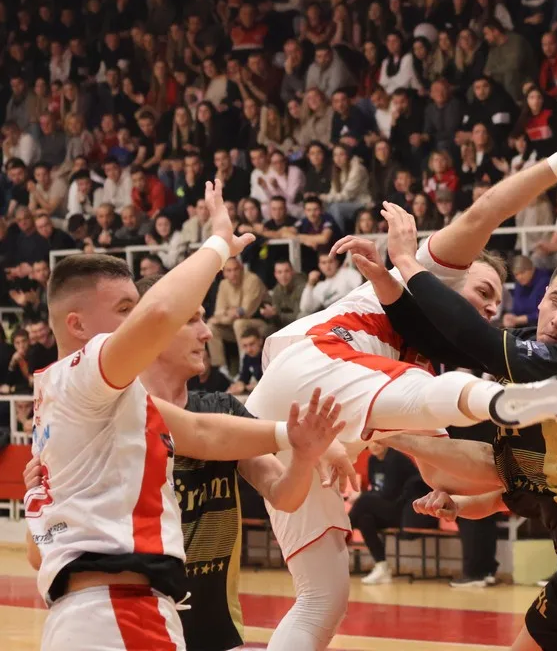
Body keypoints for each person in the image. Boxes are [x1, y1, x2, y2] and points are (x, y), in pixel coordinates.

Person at [244, 129, 557, 651]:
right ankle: (503, 404)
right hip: (312, 362)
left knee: (321, 600)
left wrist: (479, 492)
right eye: (483, 291)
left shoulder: (429, 365)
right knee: (441, 392)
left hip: (292, 428)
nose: (490, 308)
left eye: (497, 303)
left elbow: (441, 470)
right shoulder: (429, 276)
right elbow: (485, 212)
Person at [24, 181, 343, 651]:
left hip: (99, 612)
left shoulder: (71, 402)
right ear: (78, 325)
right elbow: (158, 317)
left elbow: (200, 431)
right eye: (125, 310)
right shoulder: (83, 376)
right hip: (119, 609)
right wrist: (217, 244)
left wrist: (292, 439)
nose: (137, 321)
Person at [353, 210, 557, 651]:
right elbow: (517, 490)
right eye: (556, 302)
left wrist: (407, 262)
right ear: (541, 298)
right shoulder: (530, 351)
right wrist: (383, 281)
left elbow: (471, 337)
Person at [351, 441, 433, 585]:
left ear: (387, 442)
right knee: (365, 518)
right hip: (387, 507)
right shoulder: (372, 460)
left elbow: (390, 494)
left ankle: (343, 530)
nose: (375, 445)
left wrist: (363, 496)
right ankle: (382, 567)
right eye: (371, 442)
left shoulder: (396, 459)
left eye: (379, 441)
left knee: (364, 501)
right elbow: (375, 489)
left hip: (405, 512)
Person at [206, 256, 269, 372]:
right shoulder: (223, 284)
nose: (233, 274)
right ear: (224, 273)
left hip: (261, 325)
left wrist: (224, 315)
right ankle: (221, 369)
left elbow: (245, 312)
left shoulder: (252, 280)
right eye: (229, 270)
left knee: (239, 323)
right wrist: (228, 313)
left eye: (236, 269)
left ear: (241, 269)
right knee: (210, 327)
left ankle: (244, 366)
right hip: (234, 327)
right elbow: (218, 312)